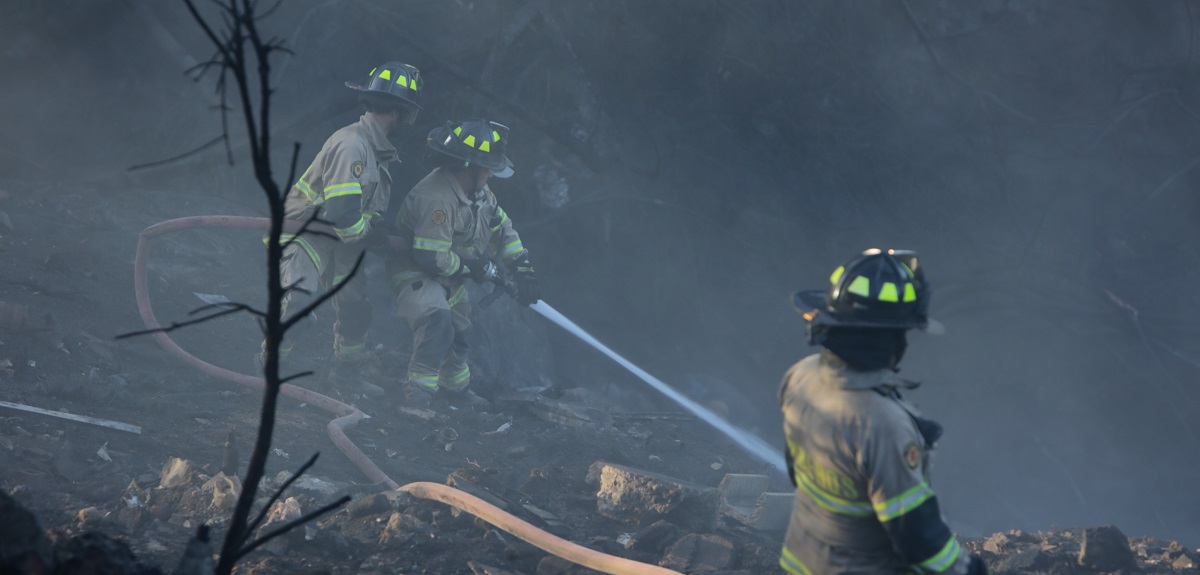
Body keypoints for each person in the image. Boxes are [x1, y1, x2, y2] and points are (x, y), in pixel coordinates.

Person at [780, 248, 990, 575]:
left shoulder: (800, 376)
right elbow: (918, 538)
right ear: (892, 339)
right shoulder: (884, 424)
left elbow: (797, 471)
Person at [259, 61, 423, 393]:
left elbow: (361, 213)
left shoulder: (377, 151)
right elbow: (343, 214)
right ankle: (270, 370)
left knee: (356, 311)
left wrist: (383, 232)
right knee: (301, 303)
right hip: (307, 233)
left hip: (342, 240)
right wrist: (375, 237)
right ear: (401, 112)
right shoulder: (354, 145)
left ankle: (346, 377)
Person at [386, 118, 541, 408]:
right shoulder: (437, 197)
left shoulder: (479, 193)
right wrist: (474, 268)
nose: (492, 176)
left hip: (450, 274)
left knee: (460, 334)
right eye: (488, 169)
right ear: (468, 167)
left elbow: (501, 227)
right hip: (415, 272)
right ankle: (418, 394)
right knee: (437, 320)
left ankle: (454, 390)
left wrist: (523, 268)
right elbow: (430, 257)